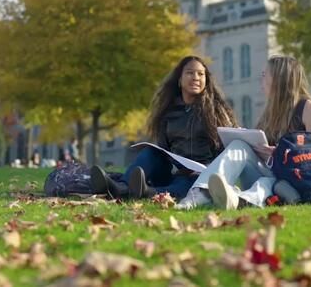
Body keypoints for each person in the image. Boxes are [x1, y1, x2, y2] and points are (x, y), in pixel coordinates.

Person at [177, 55, 311, 210]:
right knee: (239, 145)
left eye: (264, 75)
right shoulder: (269, 113)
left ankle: (237, 199)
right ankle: (200, 194)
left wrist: (281, 153)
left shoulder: (309, 110)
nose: (260, 80)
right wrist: (250, 142)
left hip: (295, 182)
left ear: (279, 79)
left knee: (267, 183)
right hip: (272, 174)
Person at [90, 56, 237, 199]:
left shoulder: (217, 111)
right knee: (151, 153)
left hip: (202, 176)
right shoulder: (169, 112)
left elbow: (228, 151)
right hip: (176, 173)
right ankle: (122, 187)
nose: (196, 77)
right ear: (179, 79)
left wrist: (207, 168)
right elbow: (164, 151)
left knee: (186, 184)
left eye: (200, 74)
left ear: (206, 80)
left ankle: (147, 193)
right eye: (190, 73)